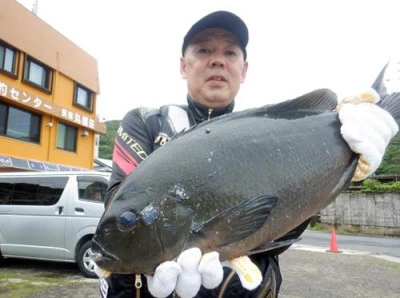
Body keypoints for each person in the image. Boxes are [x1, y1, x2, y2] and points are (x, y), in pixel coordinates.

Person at [98, 10, 398, 298]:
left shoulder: (270, 132)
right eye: (203, 50)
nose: (217, 60)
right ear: (182, 65)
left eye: (230, 53)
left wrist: (349, 152)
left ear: (244, 69)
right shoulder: (146, 122)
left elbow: (279, 228)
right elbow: (119, 202)